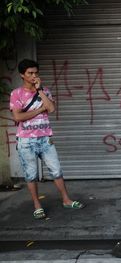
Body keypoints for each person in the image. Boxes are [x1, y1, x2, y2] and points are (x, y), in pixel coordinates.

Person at [10, 59, 84, 220]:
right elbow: (18, 116)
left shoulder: (45, 91)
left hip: (45, 138)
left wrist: (40, 91)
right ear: (22, 75)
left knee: (56, 171)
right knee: (31, 175)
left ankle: (66, 199)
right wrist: (40, 109)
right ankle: (37, 205)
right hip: (26, 141)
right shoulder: (16, 94)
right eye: (30, 73)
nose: (34, 76)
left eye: (36, 72)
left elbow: (51, 108)